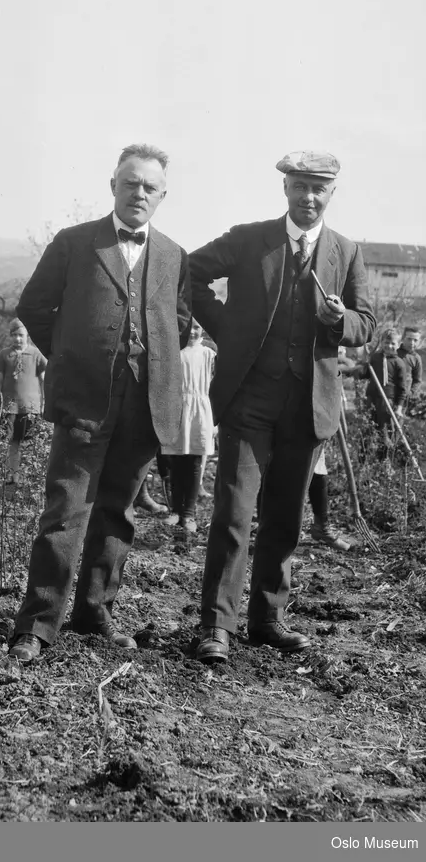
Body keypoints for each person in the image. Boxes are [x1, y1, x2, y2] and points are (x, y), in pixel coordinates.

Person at [188, 151, 375, 664]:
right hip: (249, 398)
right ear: (286, 190)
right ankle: (217, 626)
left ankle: (267, 619)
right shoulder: (250, 239)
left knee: (286, 516)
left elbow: (366, 324)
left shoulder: (346, 251)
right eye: (299, 187)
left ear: (331, 194)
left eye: (318, 188)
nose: (308, 197)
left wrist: (340, 322)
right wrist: (227, 326)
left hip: (308, 404)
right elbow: (192, 273)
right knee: (233, 511)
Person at [8, 143, 192, 663]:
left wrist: (148, 366)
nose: (139, 193)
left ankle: (94, 612)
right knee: (67, 512)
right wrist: (71, 358)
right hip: (84, 400)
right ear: (113, 185)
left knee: (118, 512)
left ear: (162, 196)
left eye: (149, 187)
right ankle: (38, 624)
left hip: (146, 404)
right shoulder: (74, 243)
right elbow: (34, 307)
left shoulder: (175, 255)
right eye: (130, 183)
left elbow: (178, 324)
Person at [158, 319, 215, 537]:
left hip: (200, 410)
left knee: (194, 462)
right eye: (189, 327)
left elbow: (215, 385)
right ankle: (175, 510)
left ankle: (189, 513)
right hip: (178, 409)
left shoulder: (209, 354)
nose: (193, 331)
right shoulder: (175, 352)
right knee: (176, 461)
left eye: (198, 328)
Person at [306, 347, 355, 552]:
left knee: (318, 470)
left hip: (315, 412)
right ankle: (267, 525)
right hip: (285, 406)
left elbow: (349, 364)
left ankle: (321, 526)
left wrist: (332, 357)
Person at [0, 318, 47, 492]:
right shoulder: (4, 355)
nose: (17, 339)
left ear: (27, 335)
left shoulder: (36, 354)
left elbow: (43, 380)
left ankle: (29, 477)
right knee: (12, 442)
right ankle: (12, 477)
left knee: (30, 443)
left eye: (21, 335)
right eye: (14, 335)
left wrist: (45, 403)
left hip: (31, 408)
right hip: (10, 407)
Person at [362, 327, 408, 454]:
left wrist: (399, 407)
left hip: (387, 401)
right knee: (368, 426)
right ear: (381, 342)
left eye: (393, 343)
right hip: (371, 398)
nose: (389, 346)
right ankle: (363, 459)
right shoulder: (374, 358)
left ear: (398, 345)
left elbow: (402, 388)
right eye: (386, 342)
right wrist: (365, 363)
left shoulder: (399, 363)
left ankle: (385, 459)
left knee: (385, 430)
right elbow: (365, 374)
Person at [398, 327, 423, 410]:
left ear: (419, 341)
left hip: (404, 399)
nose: (412, 343)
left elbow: (417, 380)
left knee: (398, 421)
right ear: (403, 338)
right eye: (409, 339)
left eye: (415, 340)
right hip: (387, 393)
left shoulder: (416, 358)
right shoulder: (394, 352)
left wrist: (410, 392)